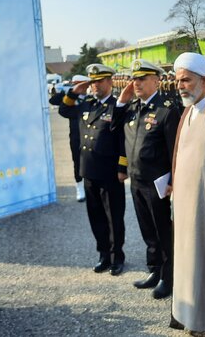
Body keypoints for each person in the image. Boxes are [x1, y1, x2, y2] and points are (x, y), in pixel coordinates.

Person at [114, 59, 180, 299]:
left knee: (163, 231)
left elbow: (175, 149)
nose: (136, 83)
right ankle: (154, 270)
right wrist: (121, 101)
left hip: (157, 182)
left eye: (142, 79)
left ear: (156, 80)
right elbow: (114, 129)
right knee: (147, 230)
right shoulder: (131, 108)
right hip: (137, 181)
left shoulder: (167, 110)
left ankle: (168, 277)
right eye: (134, 79)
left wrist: (174, 179)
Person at [169, 53, 205, 333]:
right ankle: (187, 314)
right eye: (178, 81)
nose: (181, 86)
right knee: (187, 262)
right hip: (185, 203)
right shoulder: (189, 110)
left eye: (186, 80)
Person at [59, 64, 127, 276]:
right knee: (96, 216)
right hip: (88, 170)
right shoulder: (86, 103)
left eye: (99, 81)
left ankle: (117, 258)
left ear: (109, 82)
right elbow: (64, 110)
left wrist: (122, 166)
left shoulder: (117, 106)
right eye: (93, 81)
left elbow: (123, 139)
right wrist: (73, 92)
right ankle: (103, 255)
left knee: (113, 217)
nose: (95, 85)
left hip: (109, 172)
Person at [50, 74, 90, 202]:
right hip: (76, 136)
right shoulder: (69, 97)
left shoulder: (91, 98)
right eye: (73, 83)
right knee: (77, 162)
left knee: (91, 162)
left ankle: (89, 187)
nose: (75, 86)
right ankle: (79, 187)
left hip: (90, 136)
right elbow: (54, 102)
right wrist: (68, 92)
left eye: (78, 84)